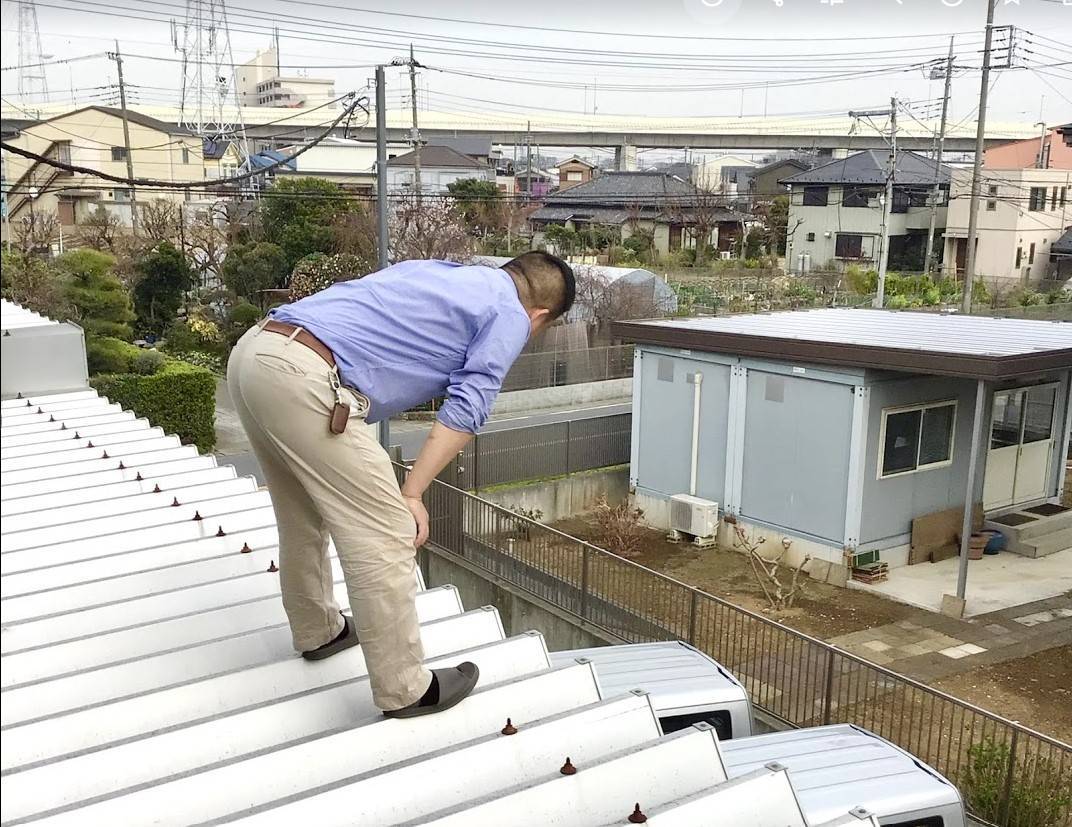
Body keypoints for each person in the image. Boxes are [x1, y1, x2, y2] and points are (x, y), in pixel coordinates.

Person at [226, 252, 575, 718]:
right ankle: (405, 688)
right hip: (304, 377)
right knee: (389, 531)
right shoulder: (511, 313)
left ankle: (319, 631)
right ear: (541, 316)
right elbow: (467, 407)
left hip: (255, 353)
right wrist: (411, 494)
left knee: (300, 514)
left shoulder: (436, 272)